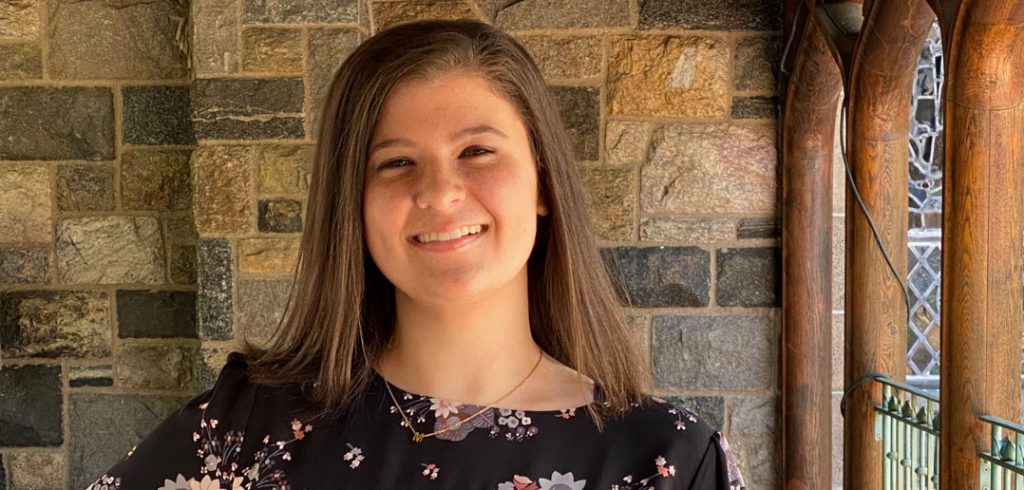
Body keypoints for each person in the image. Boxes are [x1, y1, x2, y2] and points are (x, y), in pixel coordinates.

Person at [87, 19, 746, 490]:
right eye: (396, 162)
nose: (439, 192)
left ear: (544, 182)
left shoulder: (667, 462)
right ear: (354, 205)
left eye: (477, 151)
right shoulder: (247, 433)